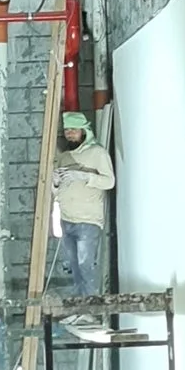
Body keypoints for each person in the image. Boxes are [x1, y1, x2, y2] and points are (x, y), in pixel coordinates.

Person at [50, 107, 114, 307]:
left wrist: (85, 176)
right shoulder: (64, 157)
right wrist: (55, 183)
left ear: (84, 131)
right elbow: (56, 191)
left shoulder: (97, 153)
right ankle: (79, 308)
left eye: (74, 130)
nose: (70, 133)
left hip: (88, 221)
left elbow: (109, 181)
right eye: (68, 130)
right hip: (67, 219)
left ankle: (91, 309)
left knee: (86, 267)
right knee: (74, 268)